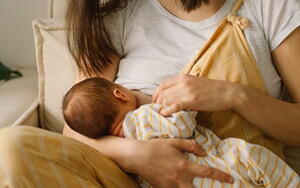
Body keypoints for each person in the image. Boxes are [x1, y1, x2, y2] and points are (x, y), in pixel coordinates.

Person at [0, 0, 299, 187]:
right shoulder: (121, 9)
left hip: (233, 177)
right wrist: (135, 155)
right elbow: (75, 131)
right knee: (9, 148)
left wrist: (234, 96)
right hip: (125, 179)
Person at [62, 77, 300, 187]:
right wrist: (185, 105)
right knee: (250, 156)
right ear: (120, 94)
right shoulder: (142, 117)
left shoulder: (119, 149)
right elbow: (181, 127)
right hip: (216, 164)